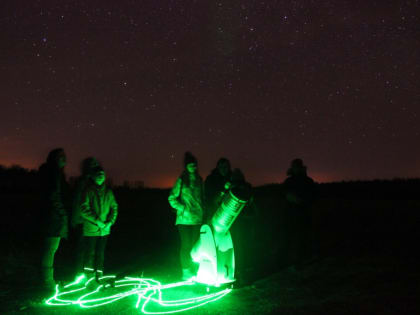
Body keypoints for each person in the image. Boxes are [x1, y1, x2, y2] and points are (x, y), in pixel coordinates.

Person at [168, 152, 205, 280]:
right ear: (186, 166)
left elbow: (203, 198)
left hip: (197, 219)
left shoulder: (200, 180)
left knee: (197, 247)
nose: (193, 167)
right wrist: (182, 207)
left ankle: (195, 270)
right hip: (184, 220)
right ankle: (186, 271)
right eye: (190, 165)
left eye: (194, 165)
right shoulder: (182, 180)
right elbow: (171, 198)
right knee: (186, 246)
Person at [79, 166, 118, 283]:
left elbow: (114, 208)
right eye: (98, 174)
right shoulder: (88, 191)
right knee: (90, 253)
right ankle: (89, 278)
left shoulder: (109, 192)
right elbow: (83, 208)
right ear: (93, 176)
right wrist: (97, 221)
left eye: (102, 173)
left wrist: (110, 222)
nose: (101, 175)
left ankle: (99, 276)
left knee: (101, 254)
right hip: (91, 229)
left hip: (105, 230)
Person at [38, 148, 70, 288]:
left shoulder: (48, 172)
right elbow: (54, 195)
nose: (64, 159)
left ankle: (48, 280)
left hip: (49, 215)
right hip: (52, 217)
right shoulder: (54, 173)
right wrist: (62, 213)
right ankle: (48, 282)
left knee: (50, 249)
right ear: (54, 158)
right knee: (50, 249)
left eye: (64, 156)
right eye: (61, 157)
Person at [283, 158, 317, 270]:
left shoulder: (307, 181)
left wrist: (300, 200)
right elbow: (284, 195)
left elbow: (312, 196)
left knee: (302, 237)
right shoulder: (289, 182)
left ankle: (301, 259)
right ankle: (295, 261)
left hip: (303, 213)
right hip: (293, 214)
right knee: (295, 238)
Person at [71, 157, 101, 280]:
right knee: (82, 248)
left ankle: (87, 273)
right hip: (82, 220)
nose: (94, 166)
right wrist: (75, 218)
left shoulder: (95, 181)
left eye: (96, 164)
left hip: (92, 221)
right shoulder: (82, 181)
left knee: (91, 249)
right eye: (92, 164)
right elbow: (77, 201)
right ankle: (79, 273)